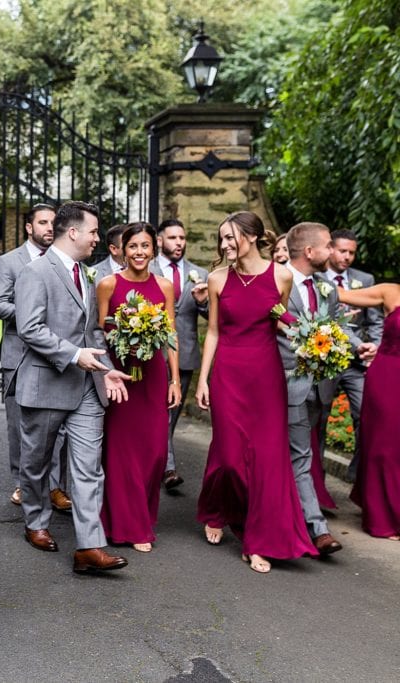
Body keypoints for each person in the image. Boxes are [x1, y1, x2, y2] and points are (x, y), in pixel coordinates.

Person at [12, 200, 131, 575]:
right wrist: (73, 354)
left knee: (88, 468)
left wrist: (106, 369)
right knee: (36, 463)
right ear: (74, 232)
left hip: (86, 387)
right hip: (46, 382)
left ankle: (89, 546)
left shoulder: (88, 274)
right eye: (94, 231)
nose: (98, 238)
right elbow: (29, 328)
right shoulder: (35, 272)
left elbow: (93, 330)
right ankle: (35, 521)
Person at [195, 211, 317, 573]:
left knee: (266, 459)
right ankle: (219, 508)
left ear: (251, 237)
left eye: (230, 237)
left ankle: (256, 538)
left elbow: (278, 318)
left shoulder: (281, 275)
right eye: (222, 239)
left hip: (266, 375)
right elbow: (213, 331)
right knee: (230, 458)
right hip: (229, 374)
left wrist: (306, 342)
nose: (224, 245)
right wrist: (203, 379)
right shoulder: (217, 279)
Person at [278, 222, 368, 555]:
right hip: (285, 384)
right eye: (329, 246)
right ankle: (317, 528)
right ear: (309, 251)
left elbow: (333, 329)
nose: (333, 251)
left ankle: (295, 520)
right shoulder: (276, 280)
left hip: (320, 386)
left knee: (303, 454)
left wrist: (355, 347)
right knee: (300, 456)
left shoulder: (325, 285)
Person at [97, 222, 180, 553]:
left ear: (154, 249)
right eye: (133, 246)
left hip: (155, 375)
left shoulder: (165, 286)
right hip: (122, 377)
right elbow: (98, 329)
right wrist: (125, 335)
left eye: (146, 246)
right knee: (122, 453)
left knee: (156, 452)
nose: (140, 252)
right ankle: (128, 525)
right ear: (122, 250)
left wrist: (174, 379)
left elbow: (171, 336)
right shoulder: (107, 284)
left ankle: (142, 515)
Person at [0, 202, 70, 511]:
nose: (49, 228)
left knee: (58, 425)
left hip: (55, 355)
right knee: (21, 424)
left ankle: (54, 487)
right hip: (19, 355)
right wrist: (34, 316)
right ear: (29, 227)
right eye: (43, 222)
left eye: (53, 223)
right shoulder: (10, 262)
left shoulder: (62, 262)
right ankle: (24, 483)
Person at [337, 282, 400, 540]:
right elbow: (336, 296)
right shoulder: (391, 291)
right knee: (384, 448)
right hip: (388, 377)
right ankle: (384, 517)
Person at [151, 218, 209, 490]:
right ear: (160, 241)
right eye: (173, 238)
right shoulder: (146, 268)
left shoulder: (199, 274)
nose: (179, 243)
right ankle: (168, 467)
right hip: (148, 353)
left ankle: (163, 461)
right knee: (153, 413)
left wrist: (203, 302)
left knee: (171, 413)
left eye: (182, 238)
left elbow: (211, 317)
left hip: (183, 353)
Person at [327, 228, 383, 481]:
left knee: (368, 416)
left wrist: (375, 349)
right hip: (325, 361)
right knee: (318, 420)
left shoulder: (366, 279)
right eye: (342, 251)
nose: (347, 257)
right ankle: (316, 481)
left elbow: (376, 321)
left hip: (358, 364)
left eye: (351, 252)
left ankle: (357, 475)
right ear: (330, 249)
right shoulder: (316, 279)